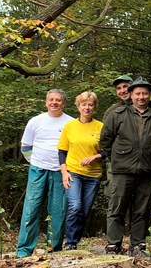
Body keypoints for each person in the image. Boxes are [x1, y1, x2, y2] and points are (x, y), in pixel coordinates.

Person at [100, 77, 151, 256]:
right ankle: (113, 244)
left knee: (142, 211)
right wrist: (117, 158)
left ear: (149, 95)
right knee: (117, 208)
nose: (141, 97)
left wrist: (149, 156)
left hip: (147, 170)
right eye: (137, 93)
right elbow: (106, 140)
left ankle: (137, 245)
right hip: (122, 169)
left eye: (145, 93)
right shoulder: (118, 115)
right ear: (131, 95)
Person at [17, 89, 74, 257]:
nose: (54, 102)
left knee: (58, 210)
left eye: (58, 100)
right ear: (46, 102)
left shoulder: (71, 123)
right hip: (38, 170)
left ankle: (54, 249)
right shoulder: (36, 121)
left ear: (64, 103)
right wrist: (35, 162)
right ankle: (24, 250)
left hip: (61, 172)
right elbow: (26, 146)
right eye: (51, 99)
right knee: (31, 208)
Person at [57, 91, 103, 250]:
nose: (87, 107)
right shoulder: (70, 126)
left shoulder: (100, 127)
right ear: (78, 106)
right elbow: (62, 151)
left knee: (84, 210)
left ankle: (74, 241)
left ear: (95, 107)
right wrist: (64, 173)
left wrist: (95, 157)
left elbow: (108, 150)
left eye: (90, 104)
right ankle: (69, 243)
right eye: (84, 104)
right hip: (73, 172)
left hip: (93, 175)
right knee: (75, 206)